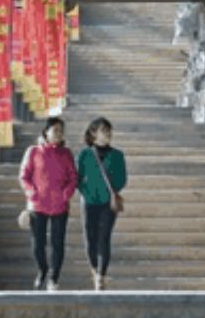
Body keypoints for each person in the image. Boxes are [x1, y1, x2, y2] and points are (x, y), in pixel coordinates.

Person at [18, 117, 77, 291]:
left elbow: (73, 177)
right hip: (37, 204)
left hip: (60, 205)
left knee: (58, 243)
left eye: (61, 130)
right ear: (46, 132)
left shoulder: (66, 153)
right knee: (38, 244)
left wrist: (66, 193)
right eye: (55, 130)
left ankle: (53, 278)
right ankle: (42, 269)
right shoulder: (33, 151)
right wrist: (31, 192)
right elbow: (24, 176)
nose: (59, 134)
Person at [76, 117, 128, 291]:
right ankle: (94, 269)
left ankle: (101, 275)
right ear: (93, 133)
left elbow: (122, 178)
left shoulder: (117, 155)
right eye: (104, 131)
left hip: (108, 202)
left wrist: (110, 190)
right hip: (88, 201)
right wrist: (87, 191)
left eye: (109, 131)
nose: (108, 134)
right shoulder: (84, 154)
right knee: (90, 239)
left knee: (104, 238)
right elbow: (77, 177)